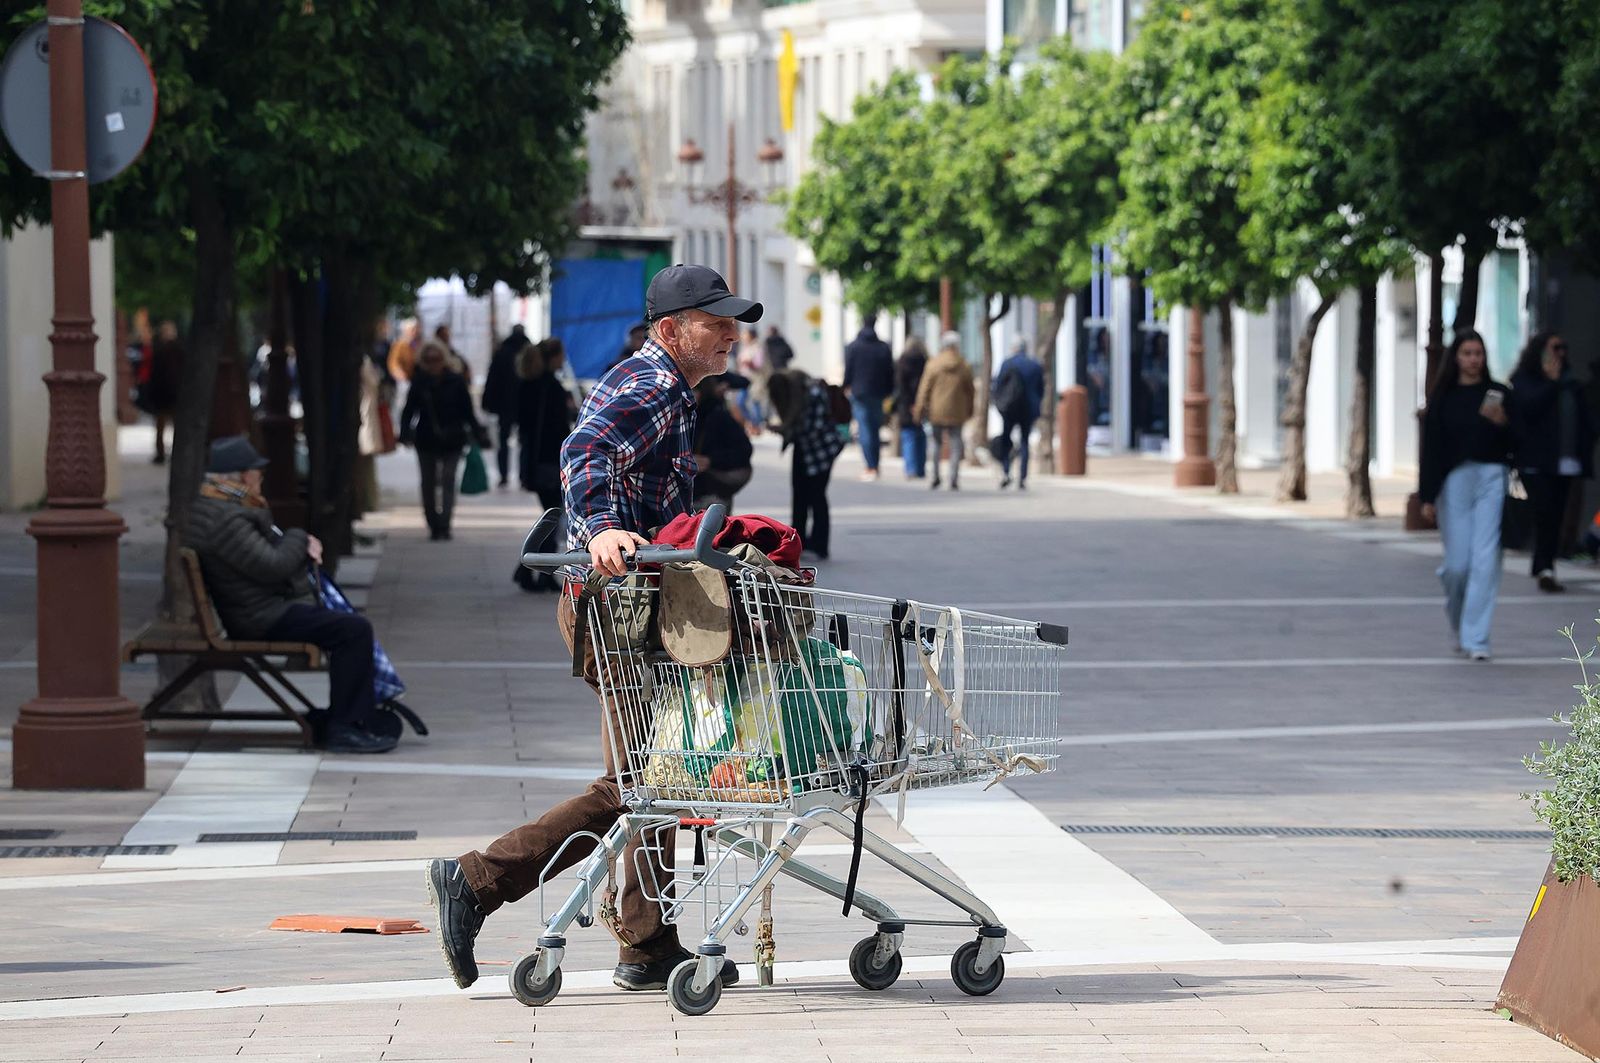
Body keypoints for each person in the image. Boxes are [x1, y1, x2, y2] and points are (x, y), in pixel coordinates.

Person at [427, 264, 760, 994]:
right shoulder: (650, 385)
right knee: (638, 782)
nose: (732, 333)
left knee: (650, 776)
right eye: (718, 321)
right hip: (615, 607)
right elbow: (583, 452)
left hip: (633, 606)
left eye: (734, 319)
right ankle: (477, 880)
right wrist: (604, 526)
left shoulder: (669, 386)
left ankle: (646, 940)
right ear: (673, 330)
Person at [186, 436, 396, 754]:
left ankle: (348, 716)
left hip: (259, 608)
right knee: (353, 630)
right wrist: (300, 537)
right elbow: (274, 566)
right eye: (258, 474)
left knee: (346, 624)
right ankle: (346, 726)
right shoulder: (227, 519)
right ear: (243, 477)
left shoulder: (219, 509)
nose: (261, 480)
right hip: (260, 617)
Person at [1419, 329, 1513, 661]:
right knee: (1458, 565)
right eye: (1467, 353)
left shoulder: (1498, 393)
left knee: (1485, 561)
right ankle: (1460, 623)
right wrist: (1427, 496)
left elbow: (1517, 443)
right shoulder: (1442, 398)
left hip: (1492, 478)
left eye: (1478, 353)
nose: (1474, 359)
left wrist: (1504, 423)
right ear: (1456, 357)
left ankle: (1477, 639)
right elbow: (1430, 449)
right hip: (1454, 481)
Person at [1510, 330, 1595, 593]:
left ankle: (1545, 565)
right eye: (1555, 347)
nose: (1560, 353)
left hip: (1565, 461)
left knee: (1556, 514)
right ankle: (1544, 566)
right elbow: (1529, 409)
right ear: (1540, 351)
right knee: (1544, 511)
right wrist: (1552, 383)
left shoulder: (1572, 384)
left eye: (1563, 348)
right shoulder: (1525, 380)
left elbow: (1585, 422)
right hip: (1534, 461)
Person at [398, 340, 486, 541]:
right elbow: (409, 410)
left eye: (436, 359)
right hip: (426, 439)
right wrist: (404, 433)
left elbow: (467, 411)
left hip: (452, 439)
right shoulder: (419, 382)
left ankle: (445, 524)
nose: (432, 364)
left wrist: (478, 433)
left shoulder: (455, 381)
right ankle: (433, 524)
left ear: (443, 359)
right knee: (428, 483)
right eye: (428, 360)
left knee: (448, 480)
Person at [769, 367, 845, 559]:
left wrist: (786, 430)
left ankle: (820, 543)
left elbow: (813, 429)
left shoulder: (812, 393)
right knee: (800, 497)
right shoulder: (802, 395)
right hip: (805, 450)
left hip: (821, 452)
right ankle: (799, 540)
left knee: (817, 496)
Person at [516, 337, 575, 509]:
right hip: (551, 453)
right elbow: (559, 423)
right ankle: (550, 537)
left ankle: (550, 536)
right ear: (553, 357)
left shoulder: (527, 383)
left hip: (534, 453)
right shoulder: (552, 386)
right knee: (555, 505)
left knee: (549, 505)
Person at [916, 331, 976, 491]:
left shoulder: (933, 364)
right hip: (958, 410)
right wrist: (970, 409)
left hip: (936, 410)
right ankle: (953, 477)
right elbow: (971, 390)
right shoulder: (964, 365)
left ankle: (935, 476)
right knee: (956, 444)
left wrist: (919, 408)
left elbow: (924, 389)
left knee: (935, 443)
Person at [692, 371, 755, 511]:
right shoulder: (676, 415)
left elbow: (744, 451)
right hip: (686, 494)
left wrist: (710, 460)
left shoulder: (718, 416)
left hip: (712, 494)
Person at [842, 316, 894, 481]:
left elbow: (848, 370)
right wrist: (889, 390)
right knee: (874, 430)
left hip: (859, 393)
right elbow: (889, 372)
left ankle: (870, 466)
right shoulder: (883, 347)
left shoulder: (853, 347)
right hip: (878, 393)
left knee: (865, 430)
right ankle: (874, 464)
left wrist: (845, 386)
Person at [993, 338, 1047, 490]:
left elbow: (998, 386)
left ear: (1013, 348)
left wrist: (999, 404)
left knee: (1006, 439)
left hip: (1009, 408)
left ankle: (1006, 471)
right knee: (1024, 441)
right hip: (1028, 409)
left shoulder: (1007, 363)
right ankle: (1022, 477)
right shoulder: (1034, 365)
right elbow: (1041, 389)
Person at [483, 324, 529, 488]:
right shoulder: (528, 351)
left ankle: (504, 475)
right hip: (525, 404)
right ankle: (524, 476)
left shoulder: (502, 352)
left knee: (503, 440)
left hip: (505, 405)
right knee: (525, 441)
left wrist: (487, 401)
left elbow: (492, 378)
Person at [143, 320, 184, 465]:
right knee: (168, 425)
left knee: (165, 425)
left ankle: (162, 453)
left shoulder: (161, 350)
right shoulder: (175, 350)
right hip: (170, 394)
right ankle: (167, 453)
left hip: (167, 394)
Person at [894, 336, 929, 479]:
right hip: (922, 403)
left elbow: (900, 386)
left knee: (908, 436)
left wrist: (908, 404)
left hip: (905, 403)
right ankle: (920, 468)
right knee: (920, 435)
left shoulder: (902, 362)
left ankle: (911, 469)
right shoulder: (925, 361)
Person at [734, 327, 769, 427]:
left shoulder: (758, 347)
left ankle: (756, 425)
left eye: (746, 335)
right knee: (740, 402)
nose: (743, 337)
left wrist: (749, 363)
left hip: (755, 380)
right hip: (744, 379)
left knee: (755, 402)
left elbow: (759, 364)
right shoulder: (745, 347)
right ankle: (752, 422)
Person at [387, 319, 422, 383]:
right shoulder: (400, 344)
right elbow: (394, 363)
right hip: (404, 380)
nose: (415, 332)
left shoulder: (416, 344)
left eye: (416, 329)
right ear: (406, 331)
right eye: (412, 330)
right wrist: (402, 376)